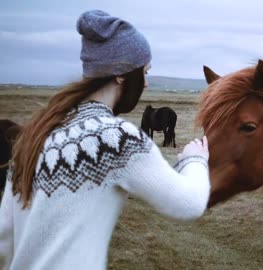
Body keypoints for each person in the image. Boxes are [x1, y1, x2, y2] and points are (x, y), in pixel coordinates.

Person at [0, 10, 210, 270]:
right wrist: (195, 159)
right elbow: (188, 204)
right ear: (121, 74)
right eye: (144, 72)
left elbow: (4, 238)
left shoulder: (34, 134)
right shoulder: (116, 139)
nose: (145, 83)